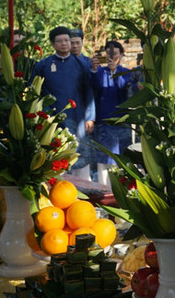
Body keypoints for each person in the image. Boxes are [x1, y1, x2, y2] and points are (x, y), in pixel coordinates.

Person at [33, 26, 96, 179]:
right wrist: (44, 115)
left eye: (66, 40)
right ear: (52, 44)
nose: (64, 44)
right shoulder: (43, 65)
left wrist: (90, 117)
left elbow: (89, 91)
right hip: (53, 119)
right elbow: (35, 93)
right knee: (55, 156)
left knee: (80, 153)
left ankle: (83, 194)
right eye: (59, 41)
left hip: (78, 116)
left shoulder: (82, 64)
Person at [90, 40, 132, 185]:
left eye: (114, 53)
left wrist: (114, 72)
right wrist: (94, 69)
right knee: (103, 158)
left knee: (121, 157)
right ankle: (103, 187)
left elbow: (123, 87)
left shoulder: (126, 72)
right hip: (103, 119)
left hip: (121, 120)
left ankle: (121, 188)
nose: (111, 56)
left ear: (121, 55)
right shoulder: (99, 72)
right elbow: (93, 87)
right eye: (108, 53)